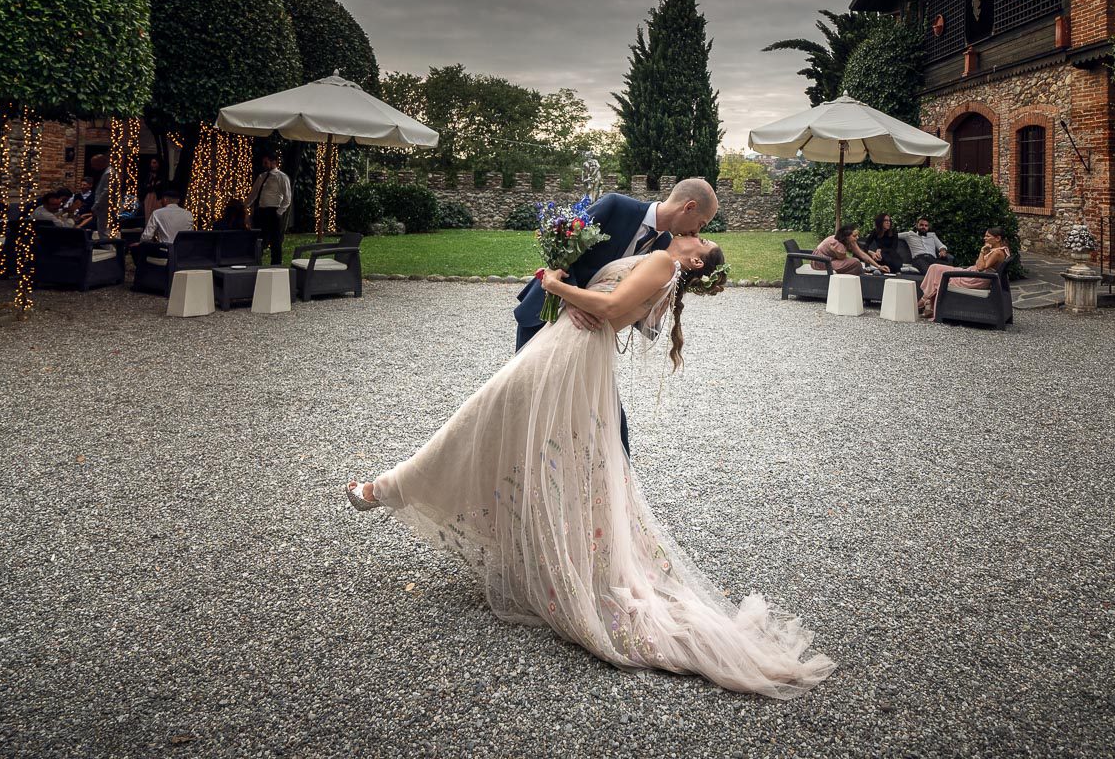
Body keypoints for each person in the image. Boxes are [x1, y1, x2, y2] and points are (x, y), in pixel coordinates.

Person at [343, 238, 836, 701]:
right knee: (497, 429)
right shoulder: (660, 258)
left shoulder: (665, 265)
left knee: (479, 418)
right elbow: (611, 306)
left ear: (698, 263)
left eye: (701, 240)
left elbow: (610, 309)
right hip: (568, 351)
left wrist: (553, 285)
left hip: (568, 356)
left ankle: (389, 488)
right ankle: (457, 509)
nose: (695, 235)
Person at [514, 177, 719, 458]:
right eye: (702, 224)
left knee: (611, 420)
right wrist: (568, 296)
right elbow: (562, 248)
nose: (697, 232)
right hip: (544, 315)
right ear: (690, 207)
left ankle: (617, 487)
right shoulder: (615, 206)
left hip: (588, 336)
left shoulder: (668, 249)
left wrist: (664, 298)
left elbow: (634, 301)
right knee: (526, 404)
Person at [917, 226, 1011, 318]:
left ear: (998, 238)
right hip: (974, 275)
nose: (984, 238)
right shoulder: (997, 250)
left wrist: (982, 251)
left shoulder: (997, 253)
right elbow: (979, 264)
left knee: (936, 270)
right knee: (935, 268)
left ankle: (925, 300)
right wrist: (985, 253)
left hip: (974, 279)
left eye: (988, 236)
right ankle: (927, 301)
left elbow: (980, 267)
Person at [247, 152, 292, 266]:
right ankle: (256, 262)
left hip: (273, 211)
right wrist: (244, 206)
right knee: (260, 238)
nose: (264, 165)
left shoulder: (281, 177)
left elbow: (287, 197)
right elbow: (253, 194)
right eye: (263, 162)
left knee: (275, 240)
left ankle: (276, 264)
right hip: (262, 211)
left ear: (274, 162)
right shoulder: (261, 177)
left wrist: (279, 212)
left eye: (266, 162)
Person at [810, 223, 886, 273]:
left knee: (856, 263)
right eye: (854, 236)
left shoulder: (849, 241)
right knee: (856, 263)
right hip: (820, 261)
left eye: (857, 235)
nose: (857, 237)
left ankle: (860, 274)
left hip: (830, 260)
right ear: (846, 236)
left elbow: (862, 254)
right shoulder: (838, 244)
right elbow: (842, 258)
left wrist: (879, 266)